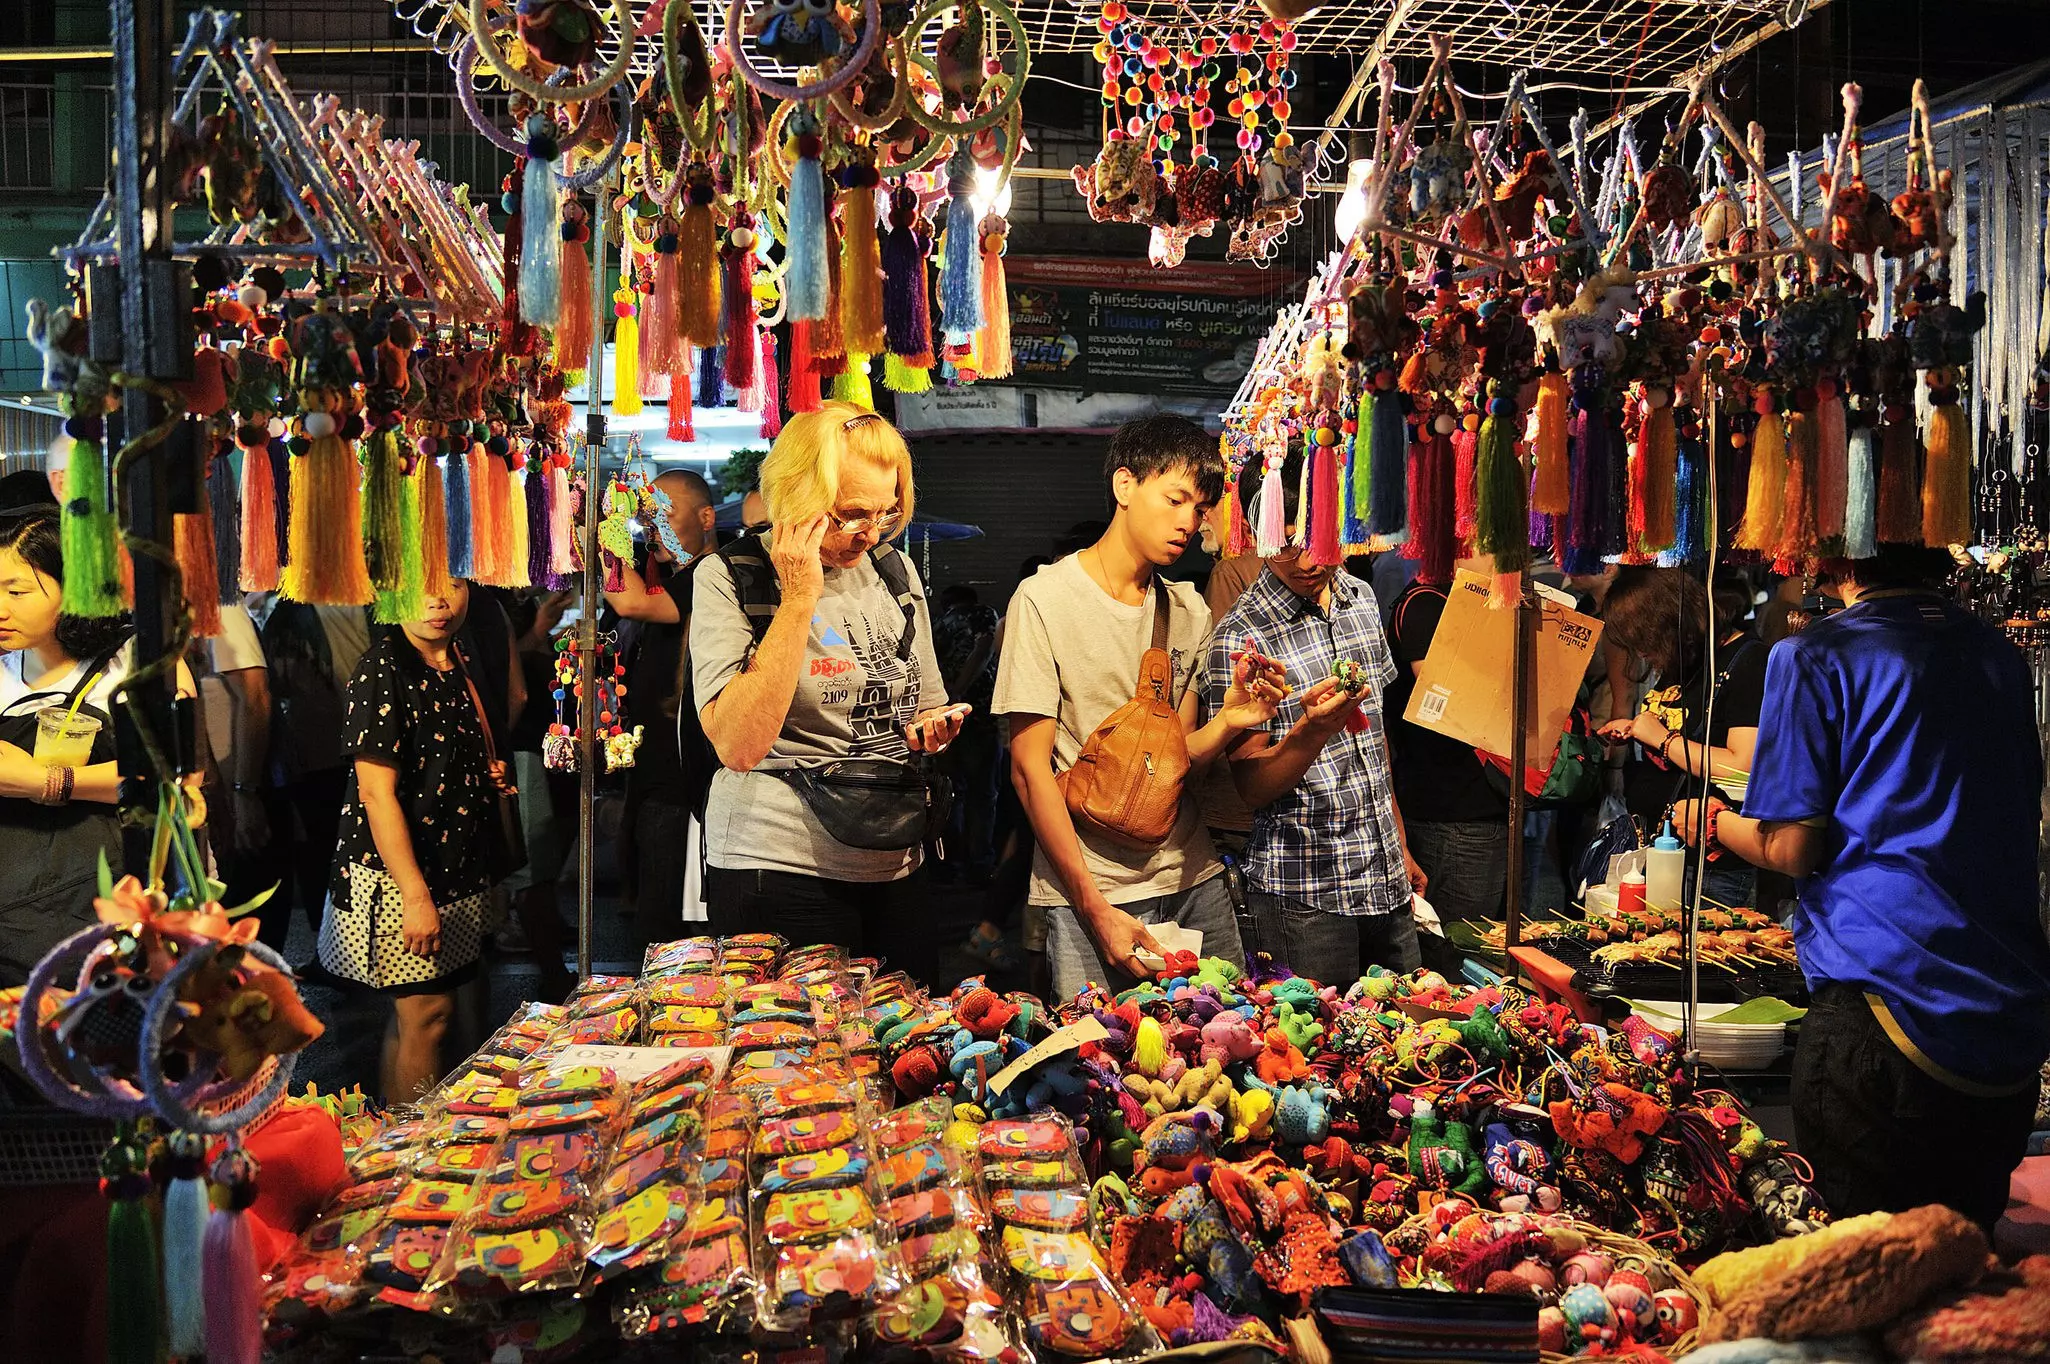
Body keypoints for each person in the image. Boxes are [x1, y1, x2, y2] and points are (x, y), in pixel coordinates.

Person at [1674, 546, 2050, 1235]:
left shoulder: (1815, 655)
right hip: (2006, 1015)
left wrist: (1714, 821)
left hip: (1883, 999)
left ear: (1834, 550)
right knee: (1956, 1273)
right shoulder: (1995, 652)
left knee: (1858, 1276)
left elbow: (1791, 848)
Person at [993, 415, 1285, 1000]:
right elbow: (1029, 772)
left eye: (1200, 509)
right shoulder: (1044, 599)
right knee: (1104, 1069)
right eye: (1175, 498)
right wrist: (1093, 908)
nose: (1188, 522)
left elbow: (1173, 763)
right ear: (1125, 487)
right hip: (1091, 888)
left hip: (1193, 875)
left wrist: (1228, 721)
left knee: (1224, 1046)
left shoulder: (1188, 610)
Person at [693, 402, 965, 982]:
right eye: (850, 514)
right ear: (796, 494)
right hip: (778, 863)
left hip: (896, 858)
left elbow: (924, 703)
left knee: (908, 1043)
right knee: (798, 1057)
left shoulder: (893, 570)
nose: (869, 532)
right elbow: (738, 745)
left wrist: (933, 727)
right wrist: (797, 600)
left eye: (886, 512)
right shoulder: (728, 575)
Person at [1204, 465, 1427, 982]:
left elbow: (1375, 738)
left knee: (1411, 1042)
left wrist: (1399, 839)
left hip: (1386, 877)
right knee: (1320, 1055)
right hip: (1305, 895)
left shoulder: (1360, 599)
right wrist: (1311, 732)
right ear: (1259, 538)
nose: (1305, 562)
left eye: (1316, 541)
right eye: (1283, 547)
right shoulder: (1241, 638)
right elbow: (1250, 788)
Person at [317, 580, 504, 1100]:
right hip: (402, 877)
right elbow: (377, 795)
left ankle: (407, 1140)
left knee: (436, 1015)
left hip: (454, 866)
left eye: (453, 584)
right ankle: (406, 1153)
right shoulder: (384, 668)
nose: (438, 599)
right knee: (428, 1015)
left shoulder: (455, 658)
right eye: (421, 586)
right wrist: (415, 896)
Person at [0, 508, 201, 985]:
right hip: (11, 909)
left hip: (110, 906)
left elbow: (178, 780)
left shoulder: (134, 663)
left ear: (75, 586)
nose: (0, 606)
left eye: (16, 590)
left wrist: (44, 781)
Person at [1599, 566, 1764, 908]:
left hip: (1711, 864)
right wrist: (1636, 733)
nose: (1642, 654)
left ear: (1669, 624)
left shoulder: (1748, 661)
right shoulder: (1686, 660)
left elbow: (1741, 765)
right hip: (1662, 850)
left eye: (1644, 642)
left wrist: (1662, 740)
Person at [604, 469, 719, 954]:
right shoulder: (677, 577)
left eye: (665, 515)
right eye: (650, 519)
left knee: (675, 932)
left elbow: (630, 601)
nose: (655, 529)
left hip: (683, 783)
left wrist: (594, 533)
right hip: (656, 775)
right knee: (655, 914)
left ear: (706, 517)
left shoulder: (711, 574)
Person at [1384, 572, 1510, 922]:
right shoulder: (1426, 604)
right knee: (1456, 947)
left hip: (1480, 805)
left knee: (1476, 942)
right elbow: (1446, 702)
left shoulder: (1465, 599)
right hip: (1452, 811)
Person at [502, 589, 576, 1002]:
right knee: (533, 871)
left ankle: (551, 946)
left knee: (548, 853)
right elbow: (508, 683)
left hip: (544, 742)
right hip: (522, 748)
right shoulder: (492, 607)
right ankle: (552, 971)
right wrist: (538, 630)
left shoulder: (518, 604)